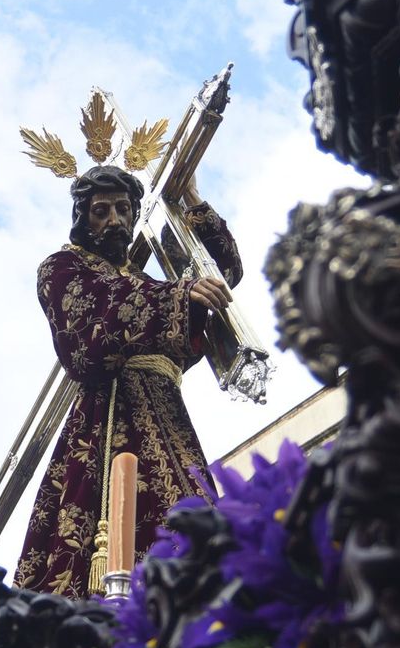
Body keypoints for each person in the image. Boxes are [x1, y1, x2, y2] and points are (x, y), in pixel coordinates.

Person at [13, 164, 240, 598]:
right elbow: (86, 329)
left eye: (123, 209)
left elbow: (219, 275)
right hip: (110, 419)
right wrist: (177, 295)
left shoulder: (147, 284)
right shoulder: (62, 268)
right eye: (101, 211)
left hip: (168, 416)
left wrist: (193, 200)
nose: (114, 220)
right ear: (82, 217)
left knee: (207, 534)